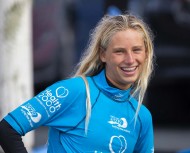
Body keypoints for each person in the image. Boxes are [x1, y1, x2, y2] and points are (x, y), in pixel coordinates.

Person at [0, 14, 155, 153]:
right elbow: (7, 129)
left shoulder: (142, 117)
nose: (130, 60)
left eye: (136, 50)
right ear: (103, 54)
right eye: (119, 51)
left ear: (146, 53)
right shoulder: (76, 91)